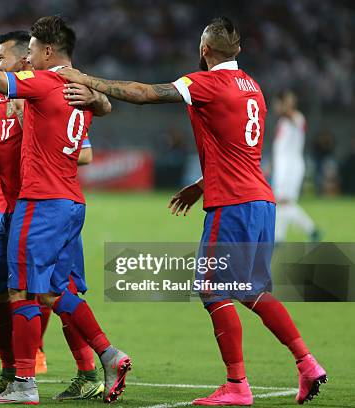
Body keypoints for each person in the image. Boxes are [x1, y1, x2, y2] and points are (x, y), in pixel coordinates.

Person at [61, 16, 327, 406]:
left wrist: (86, 79)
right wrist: (202, 184)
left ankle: (237, 385)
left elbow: (144, 93)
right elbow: (239, 149)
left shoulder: (204, 82)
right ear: (237, 51)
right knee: (251, 290)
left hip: (232, 203)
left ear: (205, 51)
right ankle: (307, 363)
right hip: (260, 200)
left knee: (211, 288)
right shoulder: (253, 87)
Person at [0, 15, 131, 404]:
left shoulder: (43, 82)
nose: (27, 57)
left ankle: (25, 384)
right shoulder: (79, 84)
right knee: (52, 290)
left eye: (31, 50)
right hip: (69, 201)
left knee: (19, 291)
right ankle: (108, 356)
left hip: (40, 202)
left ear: (45, 52)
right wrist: (101, 103)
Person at [272, 90, 320, 242]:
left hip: (292, 166)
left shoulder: (298, 118)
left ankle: (282, 237)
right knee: (284, 202)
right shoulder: (282, 122)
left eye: (280, 104)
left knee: (284, 201)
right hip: (282, 166)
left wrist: (286, 105)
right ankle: (309, 231)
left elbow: (291, 116)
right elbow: (279, 147)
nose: (277, 107)